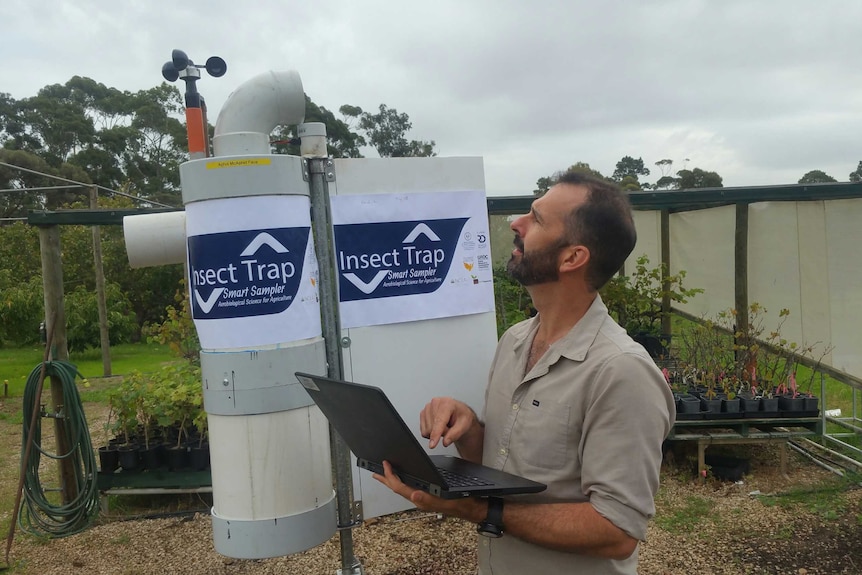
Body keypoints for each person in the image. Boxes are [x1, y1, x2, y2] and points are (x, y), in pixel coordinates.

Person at [374, 171, 676, 574]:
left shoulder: (621, 372)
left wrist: (475, 509)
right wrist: (470, 430)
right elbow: (504, 467)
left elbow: (617, 531)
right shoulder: (515, 340)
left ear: (573, 257)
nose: (516, 223)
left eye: (537, 219)